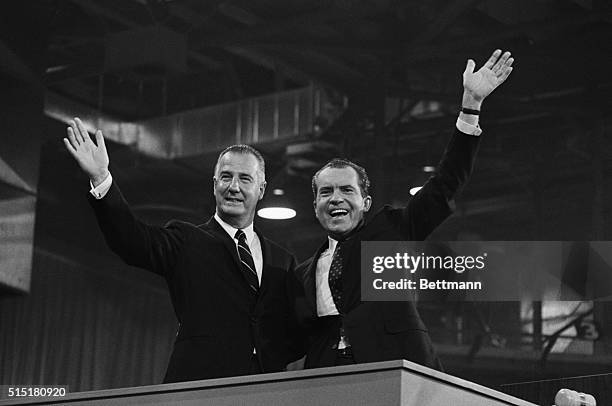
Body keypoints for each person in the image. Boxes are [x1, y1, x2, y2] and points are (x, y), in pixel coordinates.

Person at [291, 49, 515, 369]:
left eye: (346, 190)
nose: (335, 198)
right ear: (315, 206)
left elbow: (444, 184)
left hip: (396, 372)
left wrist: (471, 106)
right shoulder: (301, 273)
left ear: (365, 203)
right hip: (325, 380)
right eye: (326, 192)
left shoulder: (393, 232)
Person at [63, 124, 300, 383]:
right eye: (226, 177)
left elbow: (298, 329)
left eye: (245, 178)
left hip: (267, 390)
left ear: (262, 189)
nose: (233, 186)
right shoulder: (187, 239)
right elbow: (132, 241)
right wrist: (101, 179)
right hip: (199, 385)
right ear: (214, 184)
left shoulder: (283, 261)